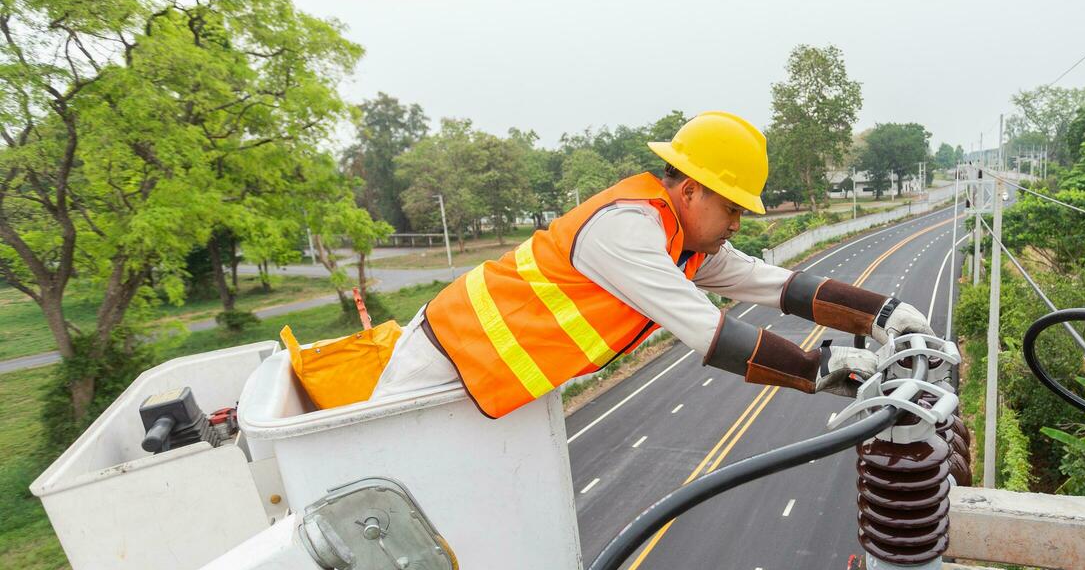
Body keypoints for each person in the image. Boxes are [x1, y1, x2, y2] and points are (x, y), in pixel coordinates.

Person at [371, 110, 935, 413]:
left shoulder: (680, 241)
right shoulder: (626, 232)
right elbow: (708, 331)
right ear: (690, 190)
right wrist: (818, 371)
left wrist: (884, 313)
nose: (738, 224)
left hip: (483, 384)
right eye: (731, 208)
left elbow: (772, 283)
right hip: (440, 366)